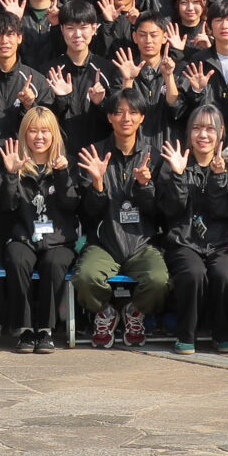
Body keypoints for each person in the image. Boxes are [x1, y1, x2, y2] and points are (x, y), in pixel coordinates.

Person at [74, 98, 170, 348]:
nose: (126, 118)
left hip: (143, 242)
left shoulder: (154, 156)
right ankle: (105, 313)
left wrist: (145, 186)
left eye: (133, 112)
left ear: (142, 117)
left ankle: (134, 311)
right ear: (109, 117)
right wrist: (97, 184)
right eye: (119, 112)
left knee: (159, 281)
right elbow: (88, 212)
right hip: (104, 242)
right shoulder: (95, 154)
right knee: (85, 278)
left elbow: (160, 211)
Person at [155, 107, 228, 354]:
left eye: (210, 129)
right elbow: (171, 210)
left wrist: (219, 177)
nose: (203, 135)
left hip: (220, 243)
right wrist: (178, 175)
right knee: (193, 273)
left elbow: (224, 212)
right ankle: (186, 334)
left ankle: (223, 333)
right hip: (183, 242)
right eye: (197, 128)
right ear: (189, 133)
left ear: (221, 132)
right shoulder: (173, 163)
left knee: (223, 273)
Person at [0, 108, 79, 352]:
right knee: (17, 260)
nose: (39, 137)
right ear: (24, 134)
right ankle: (24, 329)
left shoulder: (66, 164)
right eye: (33, 131)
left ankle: (46, 330)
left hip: (58, 240)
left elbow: (71, 204)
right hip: (24, 237)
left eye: (45, 131)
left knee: (54, 264)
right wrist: (11, 175)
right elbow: (6, 206)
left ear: (54, 134)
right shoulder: (16, 164)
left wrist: (62, 174)